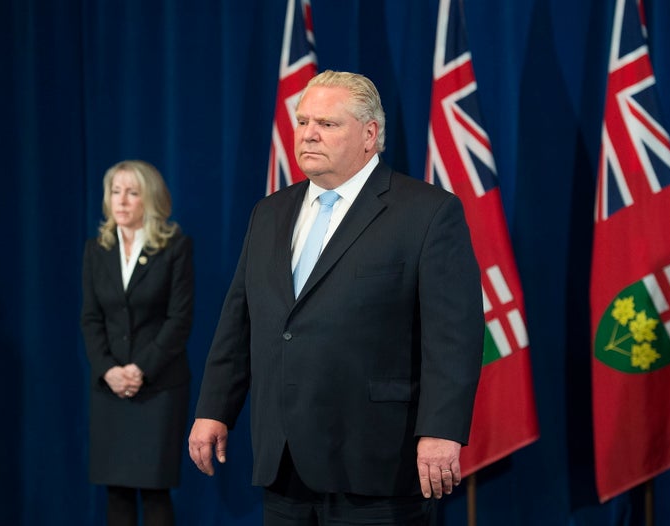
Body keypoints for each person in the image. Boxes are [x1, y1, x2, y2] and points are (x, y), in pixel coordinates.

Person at [189, 70, 484, 525]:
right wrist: (213, 410)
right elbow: (239, 322)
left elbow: (454, 338)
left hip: (377, 463)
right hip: (283, 461)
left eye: (327, 124)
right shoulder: (269, 213)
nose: (308, 134)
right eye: (303, 121)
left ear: (369, 135)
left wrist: (441, 431)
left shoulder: (427, 212)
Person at [81, 160, 194, 526]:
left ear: (151, 198)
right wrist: (109, 370)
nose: (122, 201)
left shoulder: (175, 247)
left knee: (155, 489)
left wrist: (140, 369)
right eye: (116, 192)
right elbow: (91, 319)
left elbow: (179, 321)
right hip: (110, 387)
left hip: (158, 387)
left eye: (132, 192)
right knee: (117, 491)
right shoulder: (96, 250)